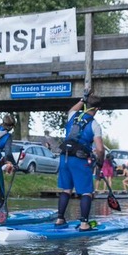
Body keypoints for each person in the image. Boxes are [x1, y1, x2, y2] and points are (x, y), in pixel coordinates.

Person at [55, 92, 106, 231]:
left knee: (66, 189)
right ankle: (84, 224)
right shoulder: (95, 125)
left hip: (64, 157)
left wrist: (83, 99)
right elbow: (100, 149)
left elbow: (72, 109)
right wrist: (101, 162)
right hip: (80, 160)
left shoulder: (72, 115)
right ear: (98, 109)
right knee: (86, 192)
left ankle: (60, 219)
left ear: (86, 104)